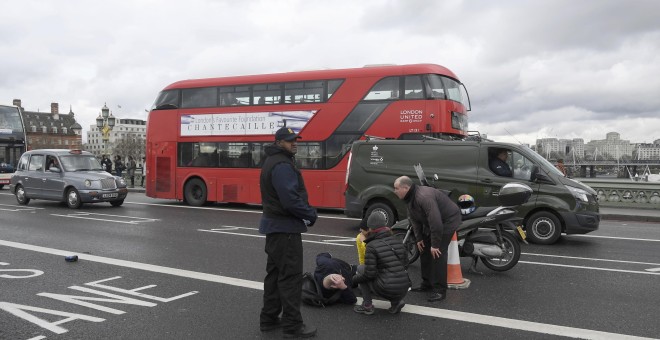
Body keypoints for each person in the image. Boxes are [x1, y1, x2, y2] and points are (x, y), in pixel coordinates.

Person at [258, 126, 318, 338]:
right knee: (291, 278)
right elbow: (290, 199)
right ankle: (292, 326)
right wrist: (310, 214)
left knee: (274, 276)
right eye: (290, 140)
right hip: (286, 230)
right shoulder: (282, 165)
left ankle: (269, 319)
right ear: (278, 142)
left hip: (274, 229)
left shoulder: (272, 161)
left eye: (296, 140)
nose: (295, 143)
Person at [393, 176, 461, 302]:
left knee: (437, 253)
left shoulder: (423, 197)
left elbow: (436, 223)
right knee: (423, 248)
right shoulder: (410, 198)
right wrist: (419, 239)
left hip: (448, 220)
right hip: (431, 222)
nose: (394, 191)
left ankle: (440, 290)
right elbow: (414, 220)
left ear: (406, 188)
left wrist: (435, 245)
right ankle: (427, 283)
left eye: (396, 188)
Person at [352, 211, 411, 315]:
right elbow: (405, 264)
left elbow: (369, 274)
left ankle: (367, 306)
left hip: (387, 287)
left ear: (370, 228)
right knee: (389, 275)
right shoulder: (397, 240)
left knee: (361, 269)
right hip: (404, 287)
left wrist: (354, 279)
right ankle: (396, 302)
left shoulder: (371, 245)